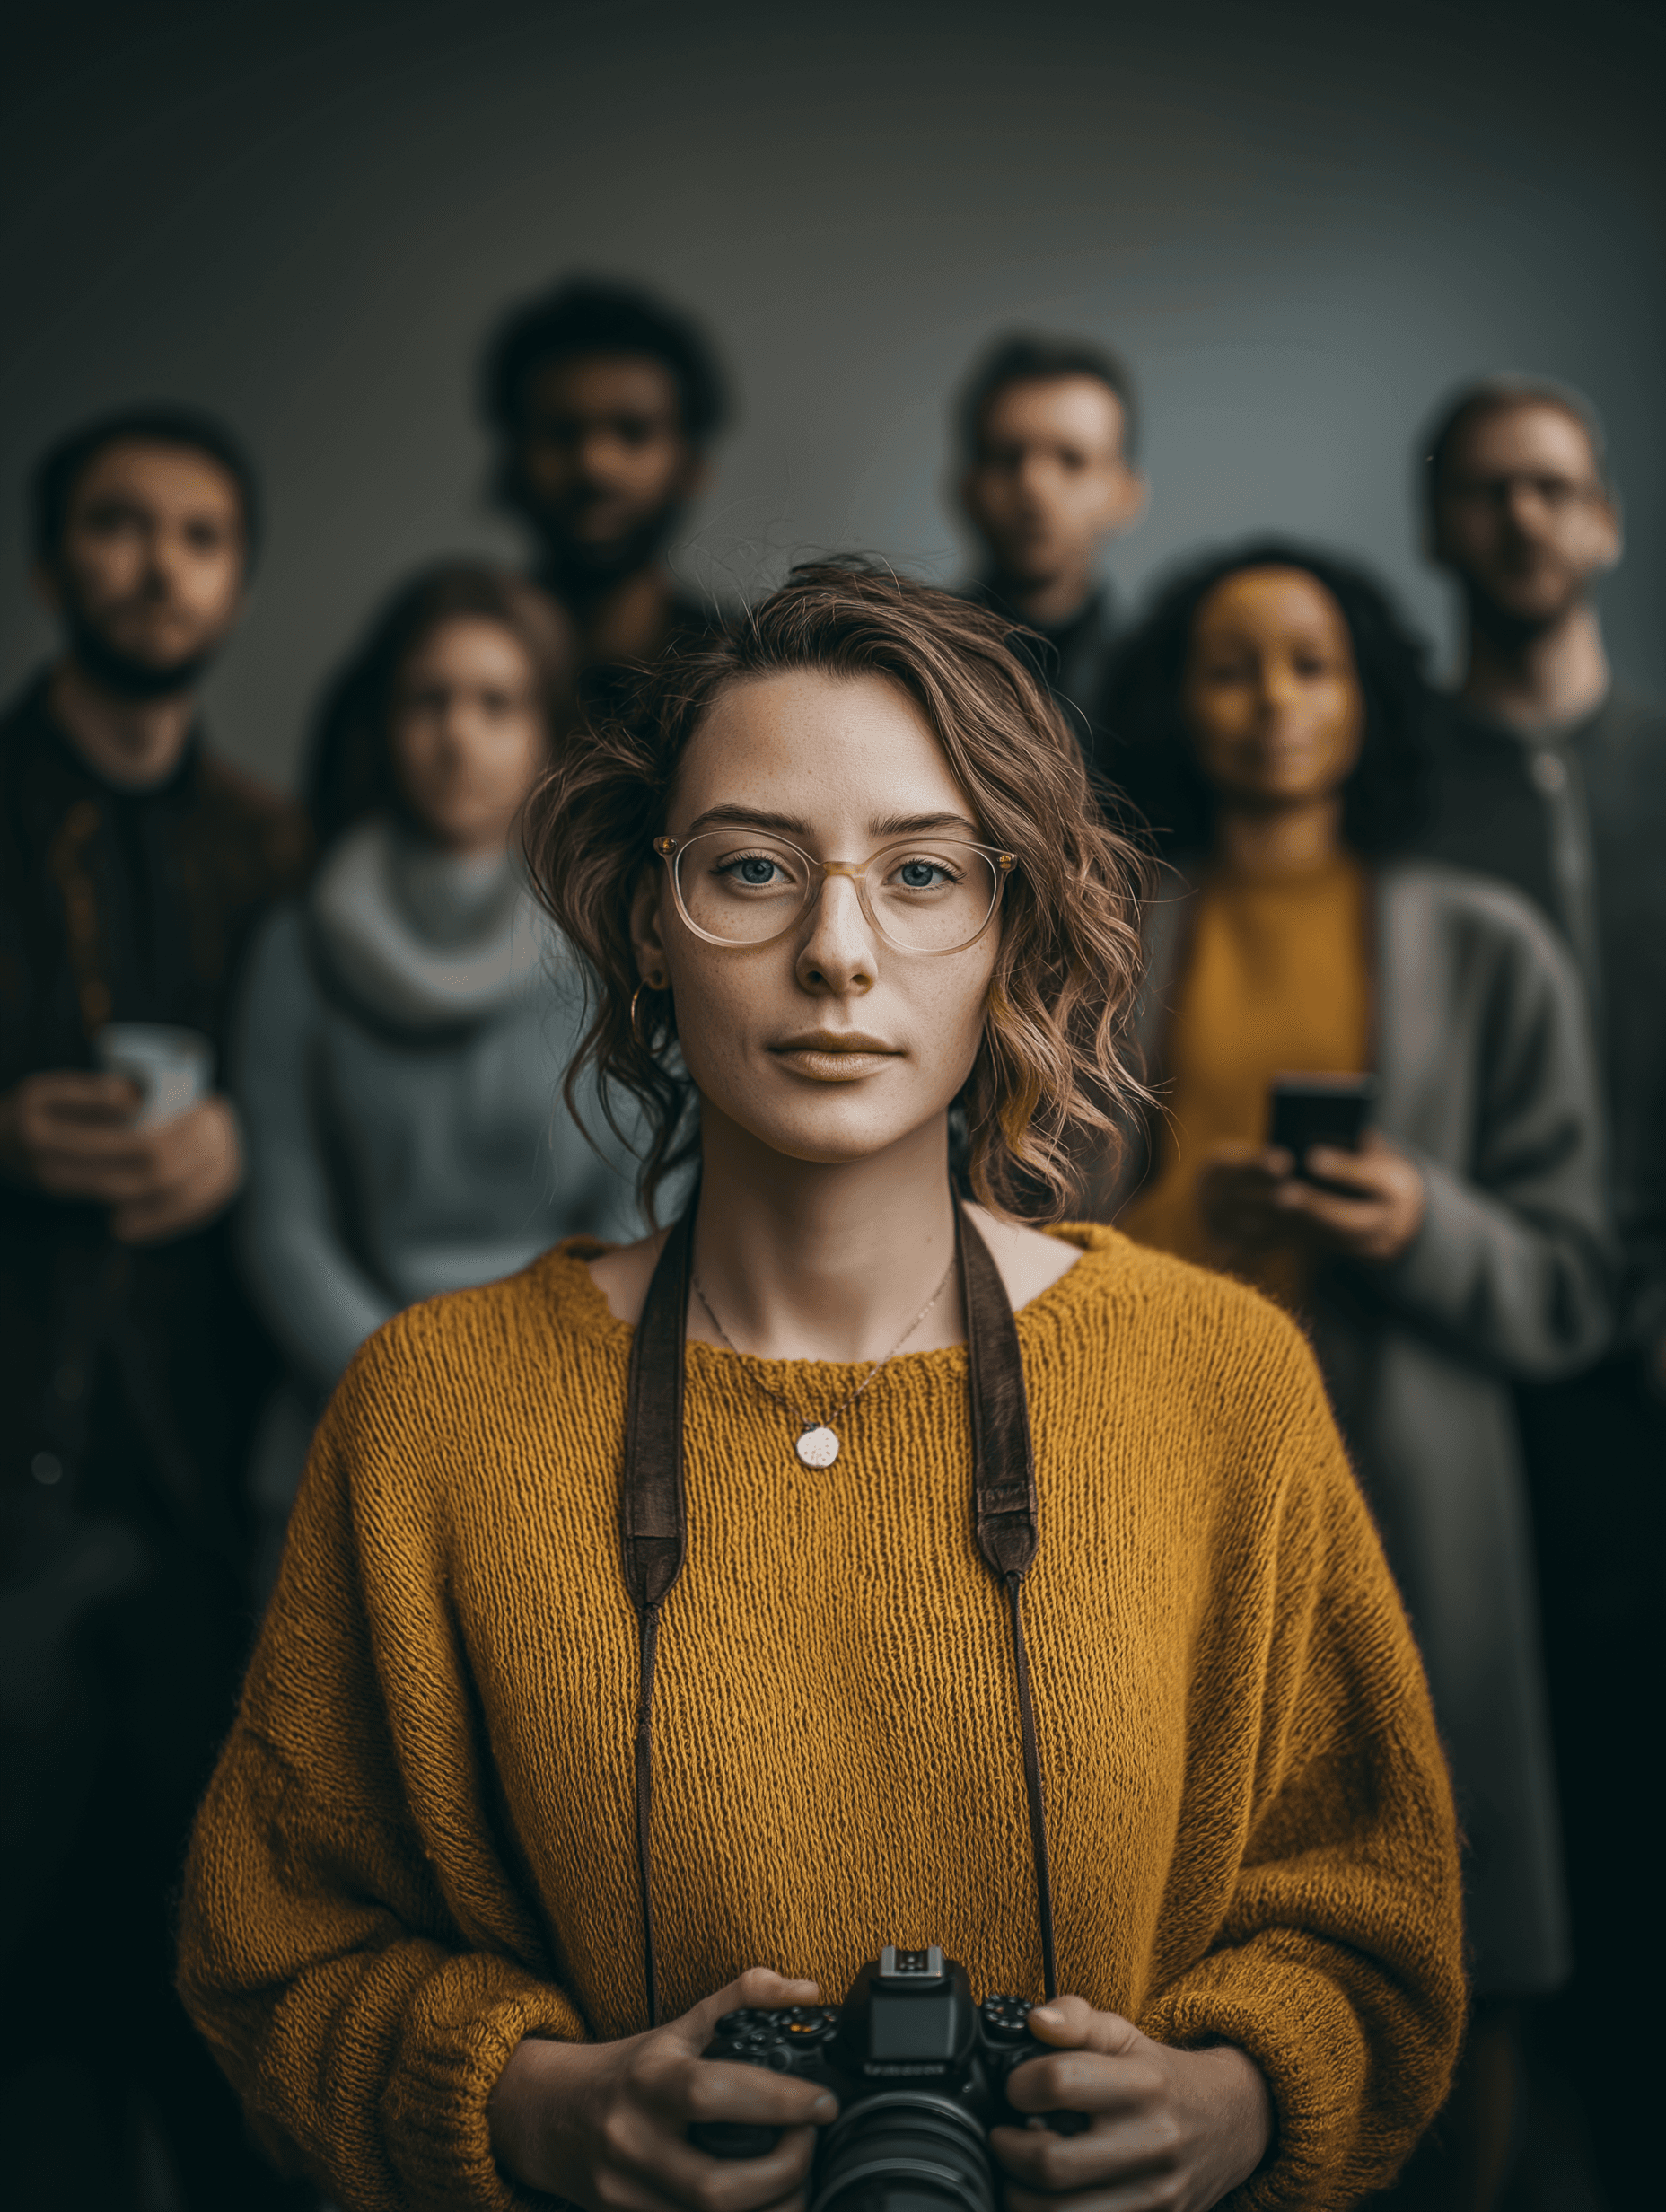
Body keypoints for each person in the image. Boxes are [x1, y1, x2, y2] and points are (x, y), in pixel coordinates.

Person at [180, 564, 1464, 2212]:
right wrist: (528, 2103)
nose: (837, 951)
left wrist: (1238, 2095)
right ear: (648, 918)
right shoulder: (432, 1408)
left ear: (1007, 920)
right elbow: (279, 1950)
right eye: (750, 871)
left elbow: (1380, 1921)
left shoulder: (1219, 1381)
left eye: (920, 871)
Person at [1095, 542, 1614, 2210]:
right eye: (1231, 663)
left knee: (1462, 1945)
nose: (1270, 701)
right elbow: (1035, 1249)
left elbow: (1573, 1287)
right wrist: (1198, 1214)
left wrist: (1418, 1216)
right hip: (1176, 1514)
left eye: (1309, 662)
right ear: (1176, 696)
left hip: (1433, 1526)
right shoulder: (1107, 940)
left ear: (1367, 695)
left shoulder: (1484, 943)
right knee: (1190, 1937)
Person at [0, 408, 310, 2208]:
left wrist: (244, 1153)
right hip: (14, 1468)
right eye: (118, 527)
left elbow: (326, 1117)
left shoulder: (273, 845)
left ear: (236, 580)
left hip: (205, 1473)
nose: (155, 563)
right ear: (53, 565)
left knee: (204, 1968)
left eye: (195, 533)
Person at [1416, 375, 1666, 2206]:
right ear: (1439, 528)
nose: (1523, 518)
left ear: (1603, 523)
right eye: (1486, 490)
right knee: (1517, 1801)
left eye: (1553, 487)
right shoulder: (1398, 784)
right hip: (1485, 1361)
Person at [234, 563, 641, 1579]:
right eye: (430, 700)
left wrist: (523, 1403)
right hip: (342, 1419)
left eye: (496, 703)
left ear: (545, 732)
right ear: (383, 724)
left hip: (568, 1431)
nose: (459, 733)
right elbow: (279, 1219)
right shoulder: (292, 948)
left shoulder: (612, 945)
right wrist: (410, 1393)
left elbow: (643, 1201)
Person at [480, 276, 732, 712]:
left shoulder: (742, 673)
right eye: (562, 433)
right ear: (512, 459)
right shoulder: (443, 679)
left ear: (693, 467)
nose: (595, 464)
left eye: (633, 432)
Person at [955, 332, 1146, 751]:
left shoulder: (1163, 682)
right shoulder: (904, 666)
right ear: (966, 490)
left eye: (1072, 460)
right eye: (1007, 457)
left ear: (1127, 495)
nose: (1034, 486)